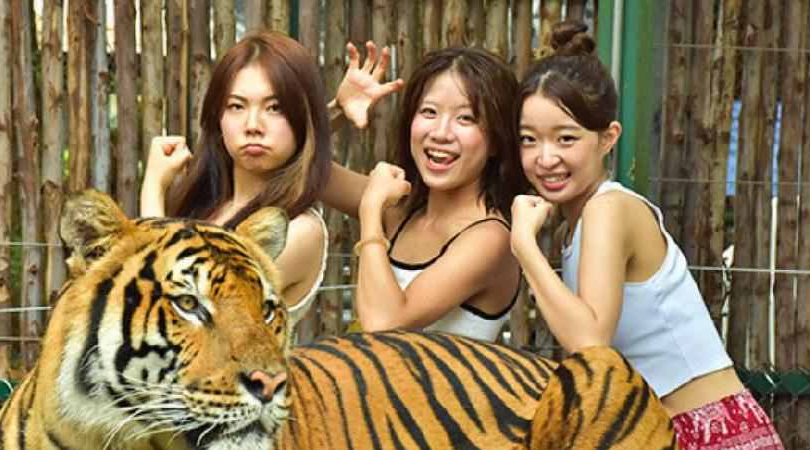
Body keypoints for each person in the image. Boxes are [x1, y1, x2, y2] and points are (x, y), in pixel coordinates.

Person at [509, 19, 802, 450]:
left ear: (608, 137)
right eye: (529, 140)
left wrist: (522, 247)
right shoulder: (576, 226)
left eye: (566, 138)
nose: (545, 158)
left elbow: (590, 340)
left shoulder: (609, 211)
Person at [322, 47, 528, 342]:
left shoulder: (490, 238)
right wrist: (338, 111)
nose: (441, 133)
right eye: (429, 112)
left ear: (496, 140)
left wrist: (371, 211)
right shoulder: (402, 211)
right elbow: (289, 165)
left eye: (466, 118)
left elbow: (383, 325)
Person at [139, 31, 335, 332]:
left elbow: (167, 300)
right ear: (218, 119)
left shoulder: (300, 229)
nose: (253, 125)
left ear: (303, 119)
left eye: (275, 108)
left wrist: (152, 187)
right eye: (236, 106)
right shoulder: (207, 205)